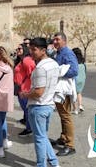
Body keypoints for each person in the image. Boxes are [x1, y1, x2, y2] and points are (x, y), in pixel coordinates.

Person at [19, 38, 60, 167]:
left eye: (34, 49)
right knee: (42, 136)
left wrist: (25, 94)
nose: (31, 52)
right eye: (30, 49)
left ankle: (41, 164)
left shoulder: (41, 68)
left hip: (39, 107)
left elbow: (38, 92)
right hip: (48, 105)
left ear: (43, 50)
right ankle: (54, 162)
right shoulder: (54, 64)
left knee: (39, 139)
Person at [50, 32, 78, 156]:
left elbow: (74, 70)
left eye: (57, 39)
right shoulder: (59, 53)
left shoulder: (67, 53)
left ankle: (70, 145)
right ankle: (63, 138)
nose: (55, 42)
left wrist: (58, 73)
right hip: (60, 89)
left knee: (66, 116)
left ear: (64, 41)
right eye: (54, 40)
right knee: (62, 115)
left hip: (64, 90)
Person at [14, 43, 35, 137]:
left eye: (20, 48)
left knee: (27, 110)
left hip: (25, 89)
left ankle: (29, 128)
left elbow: (33, 75)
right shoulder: (21, 60)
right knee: (25, 109)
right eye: (17, 49)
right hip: (20, 89)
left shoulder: (27, 60)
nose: (17, 50)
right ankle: (29, 127)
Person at [71, 48, 86, 114]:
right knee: (79, 93)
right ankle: (80, 105)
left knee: (73, 94)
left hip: (75, 79)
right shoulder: (83, 62)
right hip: (82, 79)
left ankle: (75, 109)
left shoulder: (73, 62)